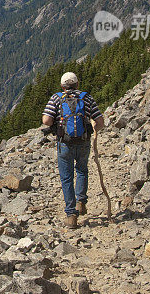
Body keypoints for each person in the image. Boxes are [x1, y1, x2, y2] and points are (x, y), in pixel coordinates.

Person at [41, 72, 104, 229]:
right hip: (83, 142)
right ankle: (81, 201)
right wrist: (92, 130)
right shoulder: (86, 97)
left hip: (64, 144)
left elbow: (46, 120)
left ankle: (71, 215)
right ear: (77, 84)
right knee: (82, 170)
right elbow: (100, 121)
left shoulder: (57, 98)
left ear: (62, 86)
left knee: (66, 178)